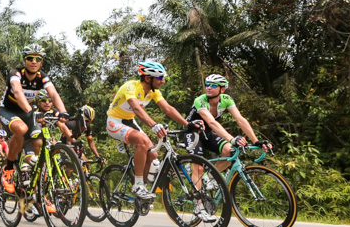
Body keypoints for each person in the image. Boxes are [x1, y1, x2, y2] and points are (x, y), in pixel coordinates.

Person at [106, 61, 203, 203]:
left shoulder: (154, 92)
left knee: (153, 154)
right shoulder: (131, 87)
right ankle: (138, 185)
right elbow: (136, 109)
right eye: (160, 78)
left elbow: (168, 109)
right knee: (143, 141)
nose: (163, 81)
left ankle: (142, 190)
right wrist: (153, 125)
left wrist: (188, 124)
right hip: (114, 121)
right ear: (147, 78)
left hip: (129, 122)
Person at [0, 44, 70, 194]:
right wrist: (32, 112)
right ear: (24, 60)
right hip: (9, 110)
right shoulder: (16, 73)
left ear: (41, 62)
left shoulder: (42, 77)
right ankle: (9, 169)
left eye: (37, 59)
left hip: (28, 112)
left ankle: (39, 192)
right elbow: (18, 92)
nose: (34, 61)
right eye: (30, 58)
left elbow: (54, 94)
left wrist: (63, 111)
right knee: (21, 129)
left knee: (39, 142)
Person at [185, 74, 271, 188]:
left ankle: (210, 177)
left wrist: (256, 141)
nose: (208, 87)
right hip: (193, 134)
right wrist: (232, 139)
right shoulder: (200, 100)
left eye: (213, 85)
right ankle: (198, 204)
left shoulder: (226, 99)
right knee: (198, 167)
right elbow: (212, 123)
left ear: (222, 89)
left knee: (230, 152)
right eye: (207, 84)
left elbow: (240, 120)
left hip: (208, 133)